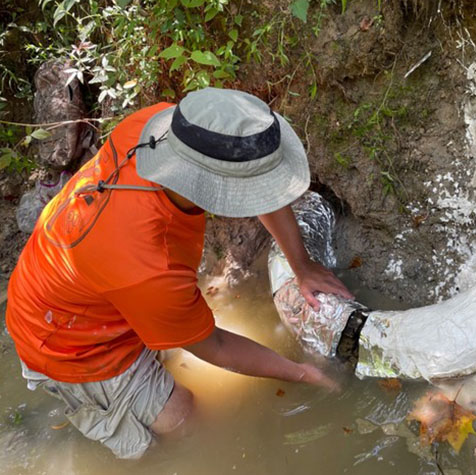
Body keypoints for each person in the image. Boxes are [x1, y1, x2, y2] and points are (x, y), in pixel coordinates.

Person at [5, 88, 353, 459]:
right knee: (184, 423)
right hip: (67, 341)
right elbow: (213, 345)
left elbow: (253, 183)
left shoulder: (166, 129)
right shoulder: (148, 264)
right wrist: (302, 373)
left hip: (85, 283)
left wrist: (301, 266)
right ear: (218, 188)